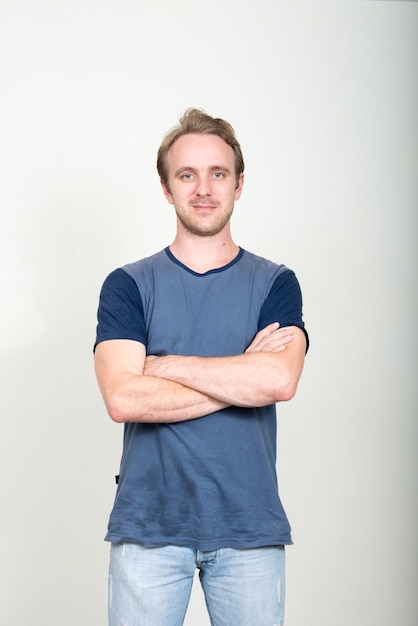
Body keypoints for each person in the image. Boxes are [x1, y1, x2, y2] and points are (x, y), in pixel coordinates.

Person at [94, 108, 309, 626]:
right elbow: (123, 399)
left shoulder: (276, 283)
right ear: (167, 189)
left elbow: (279, 380)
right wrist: (241, 377)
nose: (204, 189)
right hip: (147, 526)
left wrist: (165, 366)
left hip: (248, 528)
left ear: (239, 184)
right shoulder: (127, 284)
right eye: (186, 175)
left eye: (218, 173)